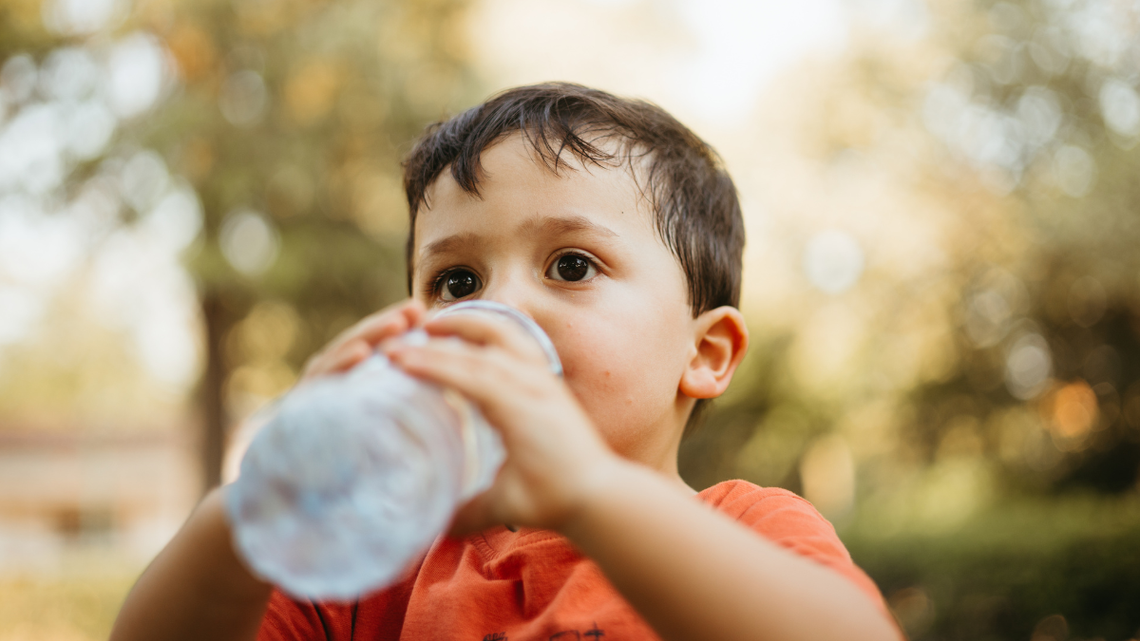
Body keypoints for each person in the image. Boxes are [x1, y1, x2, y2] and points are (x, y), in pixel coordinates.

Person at [110, 83, 901, 641]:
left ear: (705, 352)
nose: (500, 310)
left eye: (570, 265)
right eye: (456, 282)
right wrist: (256, 505)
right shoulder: (385, 565)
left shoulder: (746, 533)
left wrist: (591, 492)